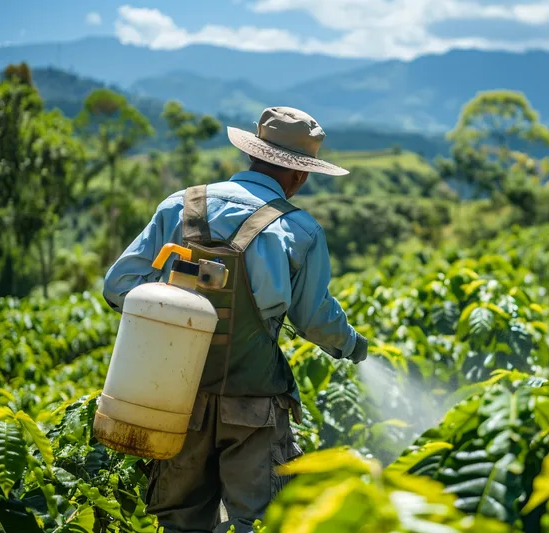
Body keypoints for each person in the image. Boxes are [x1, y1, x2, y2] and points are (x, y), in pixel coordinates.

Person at [102, 106, 368, 533]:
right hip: (254, 403)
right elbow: (315, 317)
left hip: (171, 399)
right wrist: (353, 345)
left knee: (179, 522)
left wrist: (171, 304)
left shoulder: (179, 207)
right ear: (300, 175)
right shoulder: (299, 231)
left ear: (253, 155)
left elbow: (119, 285)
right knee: (257, 521)